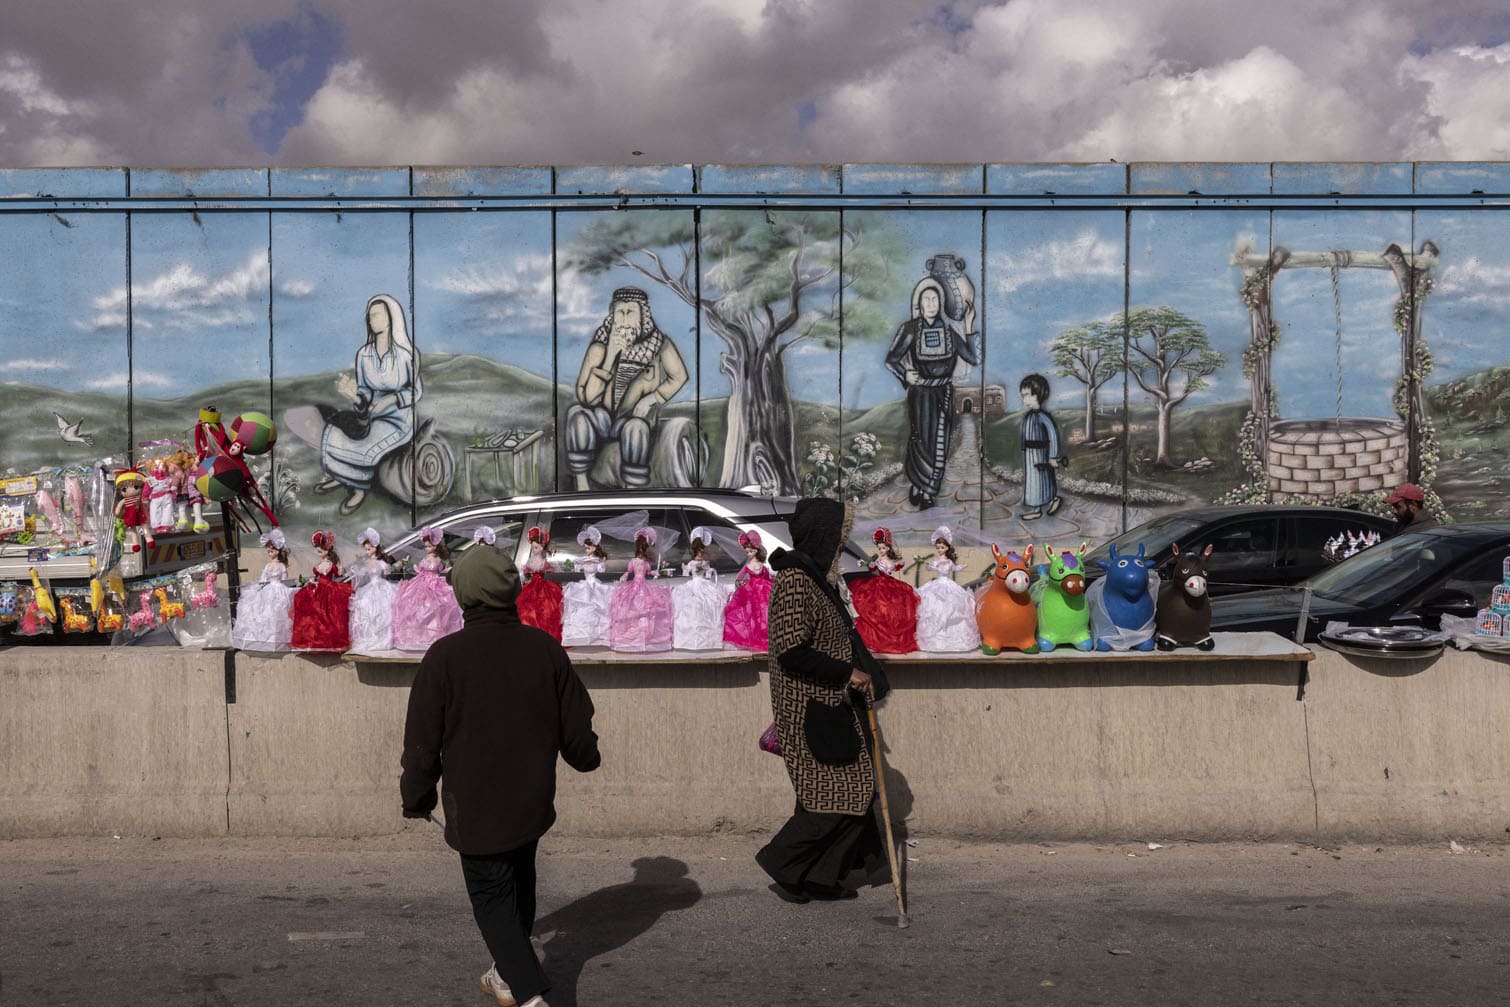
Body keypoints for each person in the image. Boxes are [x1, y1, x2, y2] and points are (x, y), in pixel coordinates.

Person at [401, 541, 600, 1007]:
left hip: (475, 807)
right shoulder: (544, 650)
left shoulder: (445, 658)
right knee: (519, 880)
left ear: (463, 595)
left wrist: (416, 796)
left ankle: (530, 994)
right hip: (531, 800)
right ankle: (507, 975)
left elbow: (421, 743)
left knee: (492, 897)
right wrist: (587, 756)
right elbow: (577, 730)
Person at [757, 497, 890, 903]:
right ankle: (783, 863)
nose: (839, 547)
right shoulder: (796, 581)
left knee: (853, 791)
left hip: (832, 705)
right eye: (837, 539)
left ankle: (819, 876)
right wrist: (846, 672)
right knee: (831, 798)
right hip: (808, 708)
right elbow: (790, 650)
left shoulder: (816, 580)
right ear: (821, 538)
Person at [565, 286, 688, 490]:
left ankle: (633, 490)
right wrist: (610, 356)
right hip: (602, 418)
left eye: (630, 312)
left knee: (636, 428)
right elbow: (588, 398)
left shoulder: (659, 345)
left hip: (633, 417)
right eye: (619, 312)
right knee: (577, 413)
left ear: (642, 315)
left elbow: (680, 376)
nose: (624, 319)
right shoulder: (599, 347)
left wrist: (652, 398)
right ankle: (582, 484)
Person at [315, 294, 421, 515]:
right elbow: (364, 388)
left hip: (398, 418)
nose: (371, 320)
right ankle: (340, 477)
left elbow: (416, 391)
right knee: (335, 431)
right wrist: (356, 397)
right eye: (370, 316)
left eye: (376, 315)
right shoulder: (363, 354)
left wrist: (391, 400)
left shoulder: (405, 356)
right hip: (372, 414)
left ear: (390, 318)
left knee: (364, 443)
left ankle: (358, 489)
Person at [884, 276, 979, 509]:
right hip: (919, 395)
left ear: (941, 302)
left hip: (942, 394)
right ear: (919, 303)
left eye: (935, 298)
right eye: (926, 299)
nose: (931, 303)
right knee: (920, 441)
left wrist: (968, 326)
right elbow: (891, 360)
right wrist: (905, 375)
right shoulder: (910, 329)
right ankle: (917, 484)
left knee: (939, 442)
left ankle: (928, 491)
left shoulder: (948, 330)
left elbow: (971, 357)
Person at [1019, 372, 1066, 519]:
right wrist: (1023, 448)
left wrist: (1053, 456)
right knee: (1032, 482)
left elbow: (1052, 435)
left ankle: (1054, 499)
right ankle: (1036, 509)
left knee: (1044, 480)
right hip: (1030, 455)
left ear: (1037, 395)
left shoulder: (1044, 417)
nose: (1024, 399)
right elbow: (1024, 434)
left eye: (1027, 395)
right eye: (1023, 395)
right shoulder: (1027, 417)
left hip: (1042, 454)